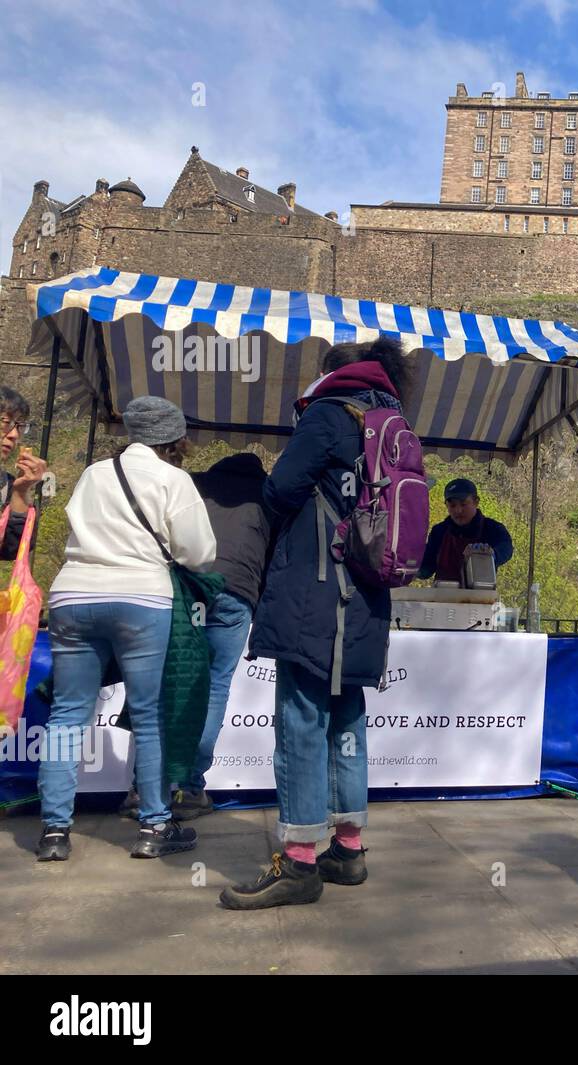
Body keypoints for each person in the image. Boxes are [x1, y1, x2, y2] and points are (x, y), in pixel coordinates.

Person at [221, 337, 410, 910]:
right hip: (367, 596)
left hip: (317, 590)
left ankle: (300, 861)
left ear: (332, 375)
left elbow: (280, 489)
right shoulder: (394, 426)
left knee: (301, 719)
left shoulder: (328, 415)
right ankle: (347, 849)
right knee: (347, 718)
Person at [36, 396, 216, 862]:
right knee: (150, 716)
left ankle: (54, 831)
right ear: (174, 438)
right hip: (141, 598)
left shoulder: (95, 474)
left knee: (66, 716)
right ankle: (153, 827)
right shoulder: (174, 480)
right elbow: (199, 554)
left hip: (73, 594)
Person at [170, 452, 275, 817]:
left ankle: (147, 788)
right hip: (236, 592)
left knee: (171, 682)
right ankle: (188, 789)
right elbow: (275, 559)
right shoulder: (267, 495)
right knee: (213, 687)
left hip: (187, 588)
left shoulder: (194, 484)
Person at [417, 478, 513, 582]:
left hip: (481, 595)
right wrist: (414, 568)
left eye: (463, 504)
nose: (458, 510)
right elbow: (427, 567)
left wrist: (493, 554)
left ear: (476, 502)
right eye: (452, 505)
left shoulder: (493, 528)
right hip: (443, 594)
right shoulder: (439, 531)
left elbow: (506, 548)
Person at [0, 386, 48, 560]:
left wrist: (20, 492)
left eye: (20, 426)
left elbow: (12, 549)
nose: (13, 435)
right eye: (6, 422)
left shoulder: (6, 483)